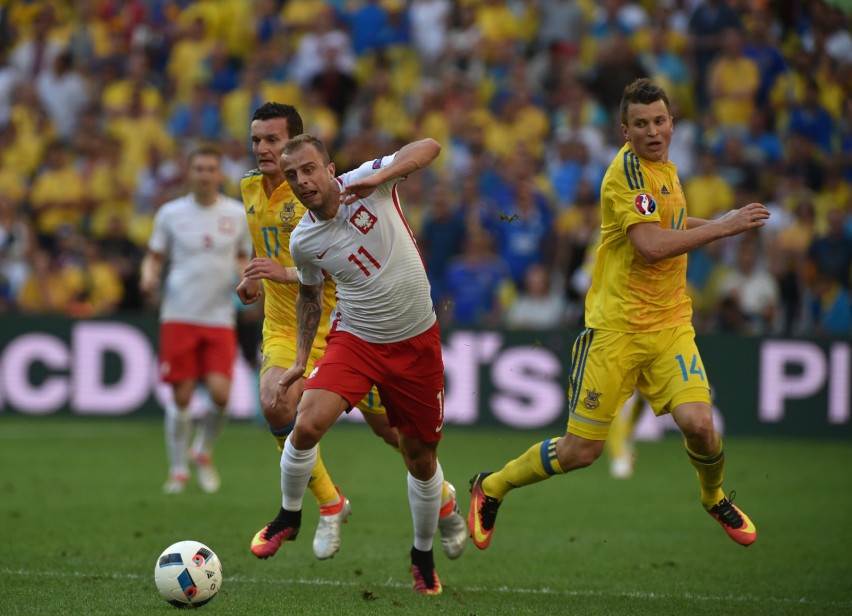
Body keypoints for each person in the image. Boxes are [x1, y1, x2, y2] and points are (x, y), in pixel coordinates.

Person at [468, 78, 769, 552]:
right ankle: (492, 487)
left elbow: (667, 222)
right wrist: (725, 229)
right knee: (580, 452)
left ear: (673, 123)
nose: (653, 131)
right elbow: (650, 246)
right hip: (616, 331)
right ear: (623, 130)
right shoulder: (625, 175)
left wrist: (721, 223)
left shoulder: (666, 170)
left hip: (670, 325)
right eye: (642, 124)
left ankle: (713, 498)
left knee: (701, 425)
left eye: (660, 121)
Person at [236, 103, 466, 563]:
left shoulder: (351, 187)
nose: (263, 149)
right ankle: (326, 504)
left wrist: (383, 176)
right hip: (301, 328)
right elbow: (303, 280)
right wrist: (251, 278)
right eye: (257, 140)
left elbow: (428, 147)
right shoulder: (251, 190)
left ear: (316, 158)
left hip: (363, 324)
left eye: (273, 141)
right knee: (281, 404)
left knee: (399, 439)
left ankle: (442, 501)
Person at [139, 147, 251, 494]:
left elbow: (243, 258)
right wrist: (148, 276)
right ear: (189, 173)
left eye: (211, 169)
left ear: (220, 174)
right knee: (182, 396)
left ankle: (202, 450)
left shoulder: (236, 214)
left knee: (221, 394)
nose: (205, 174)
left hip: (219, 316)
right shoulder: (171, 214)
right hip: (179, 314)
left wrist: (247, 281)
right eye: (199, 168)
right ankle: (177, 470)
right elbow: (154, 257)